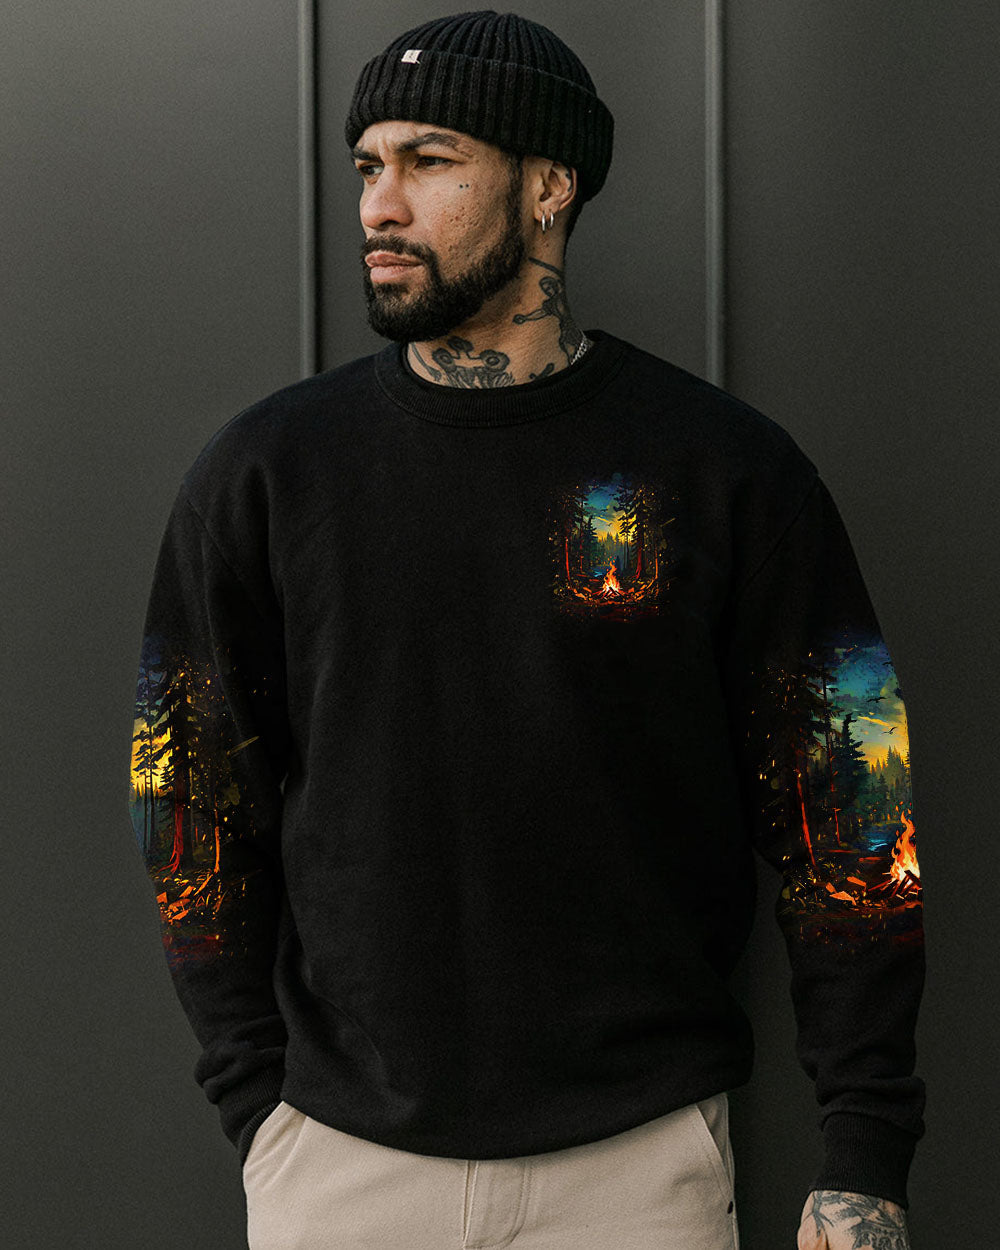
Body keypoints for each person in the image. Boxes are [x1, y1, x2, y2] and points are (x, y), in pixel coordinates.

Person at [126, 11, 925, 1249]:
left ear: (549, 186)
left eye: (429, 161)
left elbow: (853, 813)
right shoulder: (268, 474)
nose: (380, 205)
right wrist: (257, 1105)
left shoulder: (724, 471)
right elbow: (187, 797)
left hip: (636, 1166)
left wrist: (862, 1151)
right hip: (340, 1164)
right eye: (367, 165)